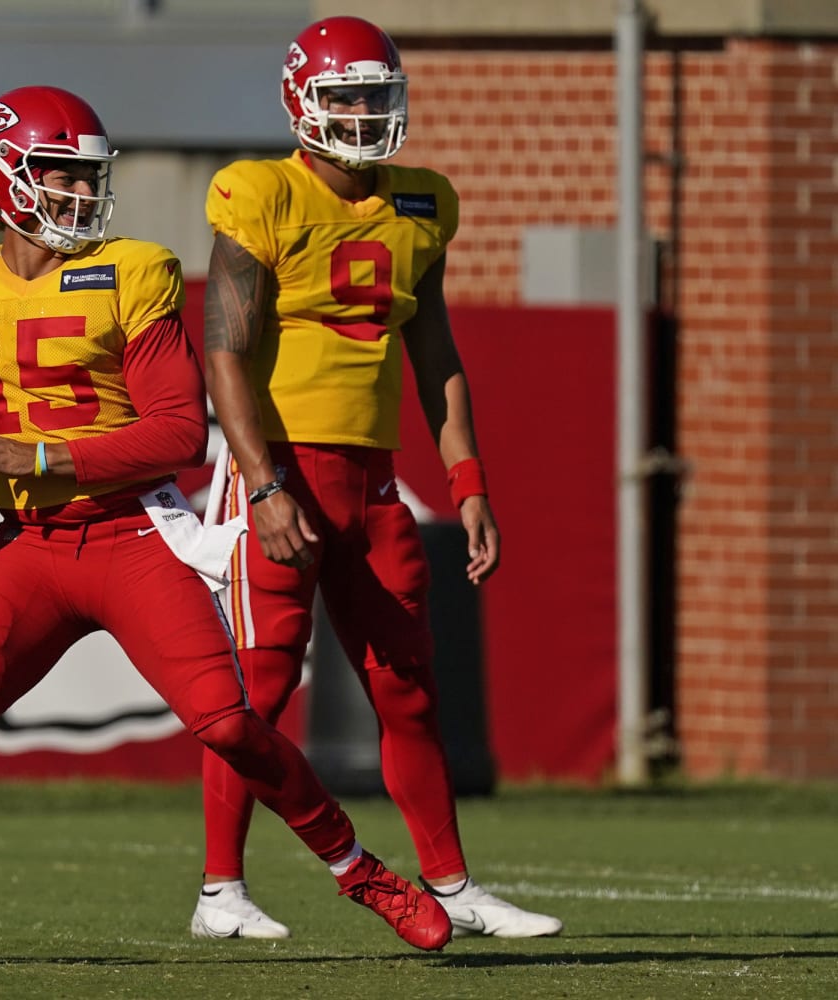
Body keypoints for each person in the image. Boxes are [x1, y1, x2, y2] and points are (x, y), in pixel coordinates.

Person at [0, 84, 452, 964]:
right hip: (32, 552)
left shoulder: (133, 270)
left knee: (230, 724)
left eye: (89, 178)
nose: (82, 196)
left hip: (132, 536)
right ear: (0, 176)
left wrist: (36, 457)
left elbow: (178, 433)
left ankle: (362, 873)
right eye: (61, 175)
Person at [191, 17, 563, 941]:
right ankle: (219, 890)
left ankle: (452, 884)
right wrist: (264, 484)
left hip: (372, 476)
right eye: (345, 96)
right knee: (258, 691)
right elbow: (224, 351)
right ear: (301, 102)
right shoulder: (259, 191)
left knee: (408, 686)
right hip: (279, 469)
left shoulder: (424, 203)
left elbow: (434, 347)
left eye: (375, 96)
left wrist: (468, 478)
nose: (363, 114)